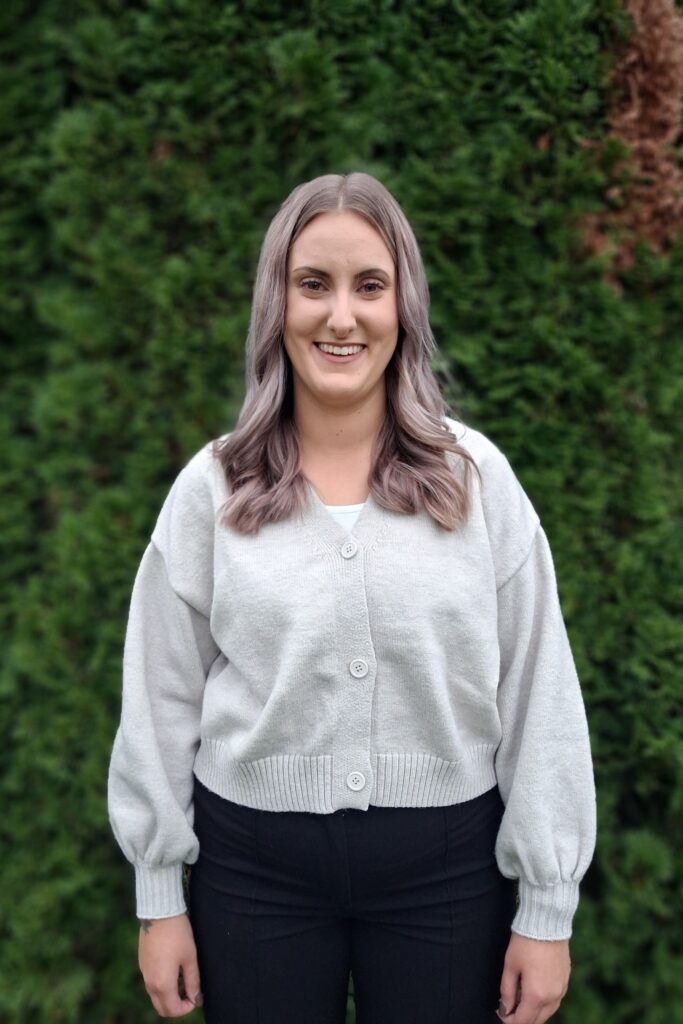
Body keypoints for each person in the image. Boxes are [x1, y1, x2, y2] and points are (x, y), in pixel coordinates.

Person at [107, 171, 597, 1024]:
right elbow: (159, 694)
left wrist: (547, 908)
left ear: (403, 306)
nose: (340, 317)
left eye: (369, 285)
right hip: (251, 875)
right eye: (313, 285)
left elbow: (537, 690)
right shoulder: (212, 488)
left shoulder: (475, 482)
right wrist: (158, 894)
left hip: (446, 876)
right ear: (277, 305)